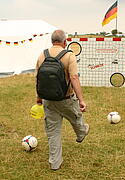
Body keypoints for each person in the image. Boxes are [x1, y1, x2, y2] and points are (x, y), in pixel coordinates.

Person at [35, 30, 89, 170]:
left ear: (52, 41)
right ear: (65, 42)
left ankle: (55, 163)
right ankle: (81, 133)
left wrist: (39, 97)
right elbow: (74, 78)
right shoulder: (69, 55)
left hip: (48, 100)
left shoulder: (42, 55)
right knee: (76, 118)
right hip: (66, 99)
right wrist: (81, 100)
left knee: (53, 132)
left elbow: (37, 78)